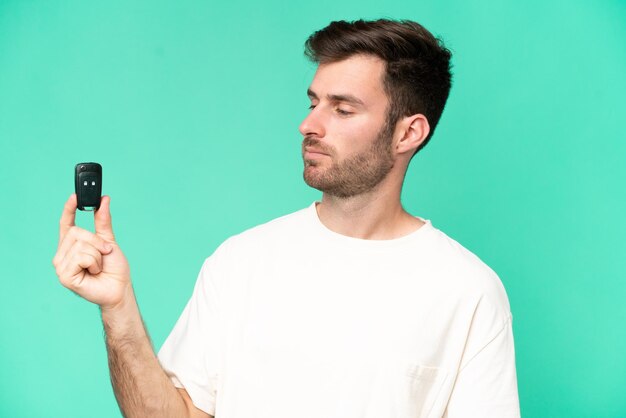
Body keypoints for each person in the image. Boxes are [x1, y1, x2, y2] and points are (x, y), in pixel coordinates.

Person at [52, 18, 520, 418]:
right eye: (313, 102)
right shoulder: (241, 260)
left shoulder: (468, 291)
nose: (310, 125)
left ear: (408, 133)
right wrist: (118, 310)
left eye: (343, 108)